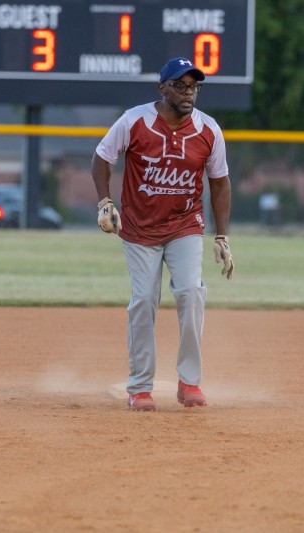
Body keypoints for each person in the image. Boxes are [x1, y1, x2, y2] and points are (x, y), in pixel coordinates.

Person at [91, 57, 234, 412]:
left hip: (185, 224)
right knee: (143, 302)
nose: (189, 93)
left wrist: (222, 236)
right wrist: (104, 201)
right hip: (139, 228)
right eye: (181, 85)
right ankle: (140, 387)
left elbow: (220, 183)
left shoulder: (208, 130)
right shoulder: (134, 121)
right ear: (163, 88)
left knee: (190, 293)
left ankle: (190, 382)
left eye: (194, 86)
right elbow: (101, 158)